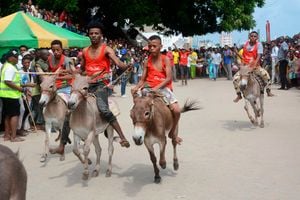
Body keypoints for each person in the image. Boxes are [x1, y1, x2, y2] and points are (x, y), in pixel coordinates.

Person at [80, 21, 130, 148]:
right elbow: (81, 70)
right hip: (86, 84)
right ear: (88, 35)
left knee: (103, 109)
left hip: (101, 85)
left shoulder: (107, 49)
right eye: (91, 33)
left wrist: (126, 66)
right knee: (70, 105)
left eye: (96, 33)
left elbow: (118, 63)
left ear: (101, 35)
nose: (93, 35)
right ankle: (63, 144)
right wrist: (69, 72)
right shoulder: (85, 51)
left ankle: (122, 138)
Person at [131, 35, 182, 145]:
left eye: (154, 46)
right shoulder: (147, 61)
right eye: (150, 46)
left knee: (177, 110)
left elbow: (169, 77)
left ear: (160, 46)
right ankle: (140, 130)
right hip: (148, 88)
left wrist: (156, 88)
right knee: (136, 109)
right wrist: (136, 87)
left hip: (163, 88)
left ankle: (173, 132)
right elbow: (142, 79)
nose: (151, 48)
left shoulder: (166, 59)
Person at [38, 40, 75, 154]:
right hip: (52, 88)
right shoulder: (49, 59)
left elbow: (73, 75)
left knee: (71, 106)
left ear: (62, 49)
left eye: (58, 50)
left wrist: (57, 77)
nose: (56, 52)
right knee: (44, 102)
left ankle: (72, 122)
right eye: (53, 50)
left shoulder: (68, 60)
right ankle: (54, 125)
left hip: (65, 87)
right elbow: (45, 72)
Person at [232, 31, 274, 103]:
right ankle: (239, 95)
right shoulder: (244, 44)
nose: (253, 37)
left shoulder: (259, 45)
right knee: (235, 79)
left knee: (266, 75)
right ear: (249, 37)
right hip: (245, 67)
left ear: (257, 37)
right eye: (252, 36)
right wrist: (236, 52)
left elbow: (259, 56)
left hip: (255, 66)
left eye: (255, 36)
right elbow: (242, 56)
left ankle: (268, 91)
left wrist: (255, 64)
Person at [0, 49, 29, 142]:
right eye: (16, 57)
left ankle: (7, 135)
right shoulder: (10, 68)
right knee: (14, 115)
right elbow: (8, 81)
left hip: (6, 95)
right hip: (11, 95)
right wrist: (21, 89)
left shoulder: (6, 66)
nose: (17, 59)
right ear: (10, 58)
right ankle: (13, 137)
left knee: (7, 115)